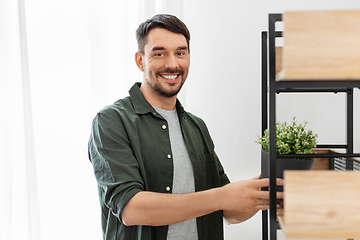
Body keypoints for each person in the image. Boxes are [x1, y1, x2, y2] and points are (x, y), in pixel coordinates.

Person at [88, 14, 283, 240]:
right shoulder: (111, 121)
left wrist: (259, 193)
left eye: (180, 53)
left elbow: (228, 212)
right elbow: (131, 209)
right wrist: (222, 196)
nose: (172, 64)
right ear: (140, 60)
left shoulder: (196, 126)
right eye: (159, 53)